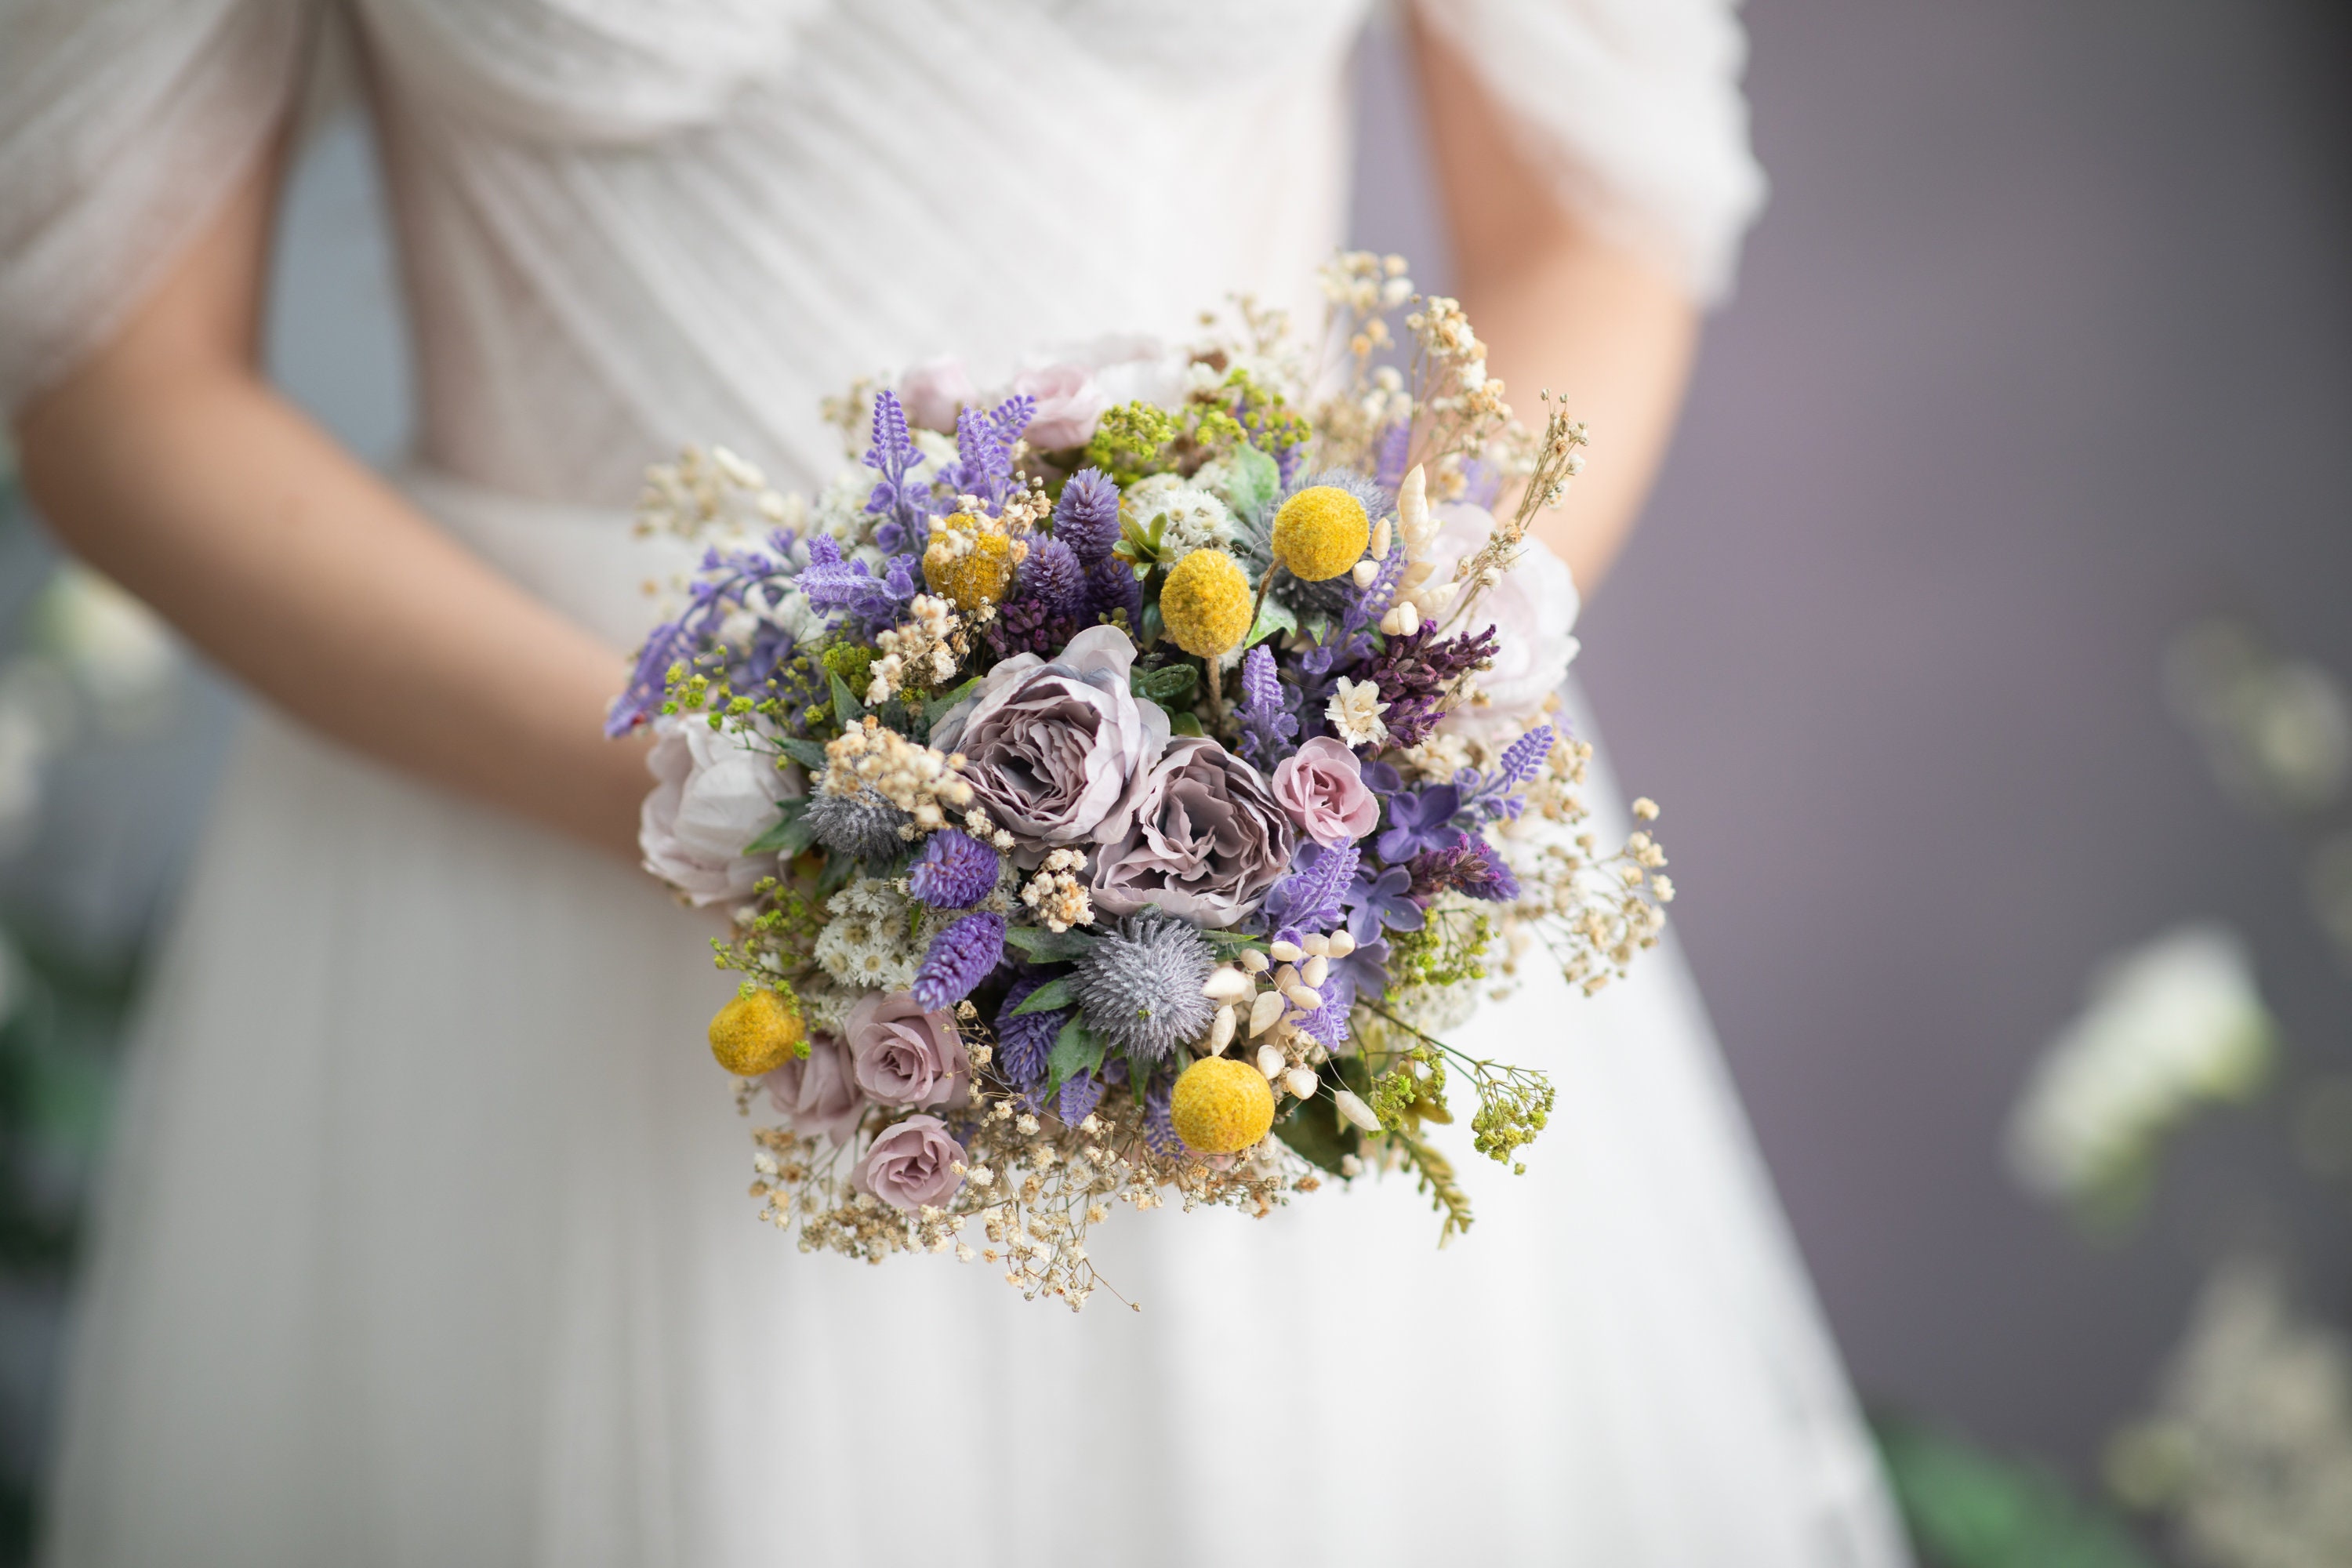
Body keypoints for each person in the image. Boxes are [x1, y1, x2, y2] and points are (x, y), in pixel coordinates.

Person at [2, 2, 1908, 1563]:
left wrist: (1359, 692)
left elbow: (1597, 218)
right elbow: (113, 381)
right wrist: (733, 802)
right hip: (521, 851)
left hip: (1268, 872)